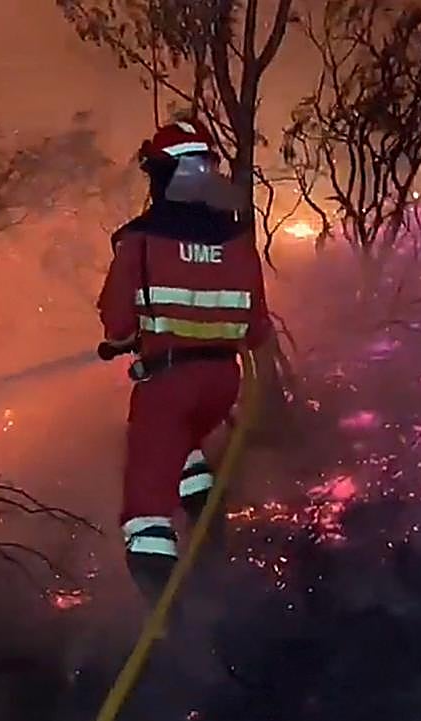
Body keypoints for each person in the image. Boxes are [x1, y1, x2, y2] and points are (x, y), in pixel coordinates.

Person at [96, 117, 275, 602]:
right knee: (182, 444)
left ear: (161, 176)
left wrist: (129, 337)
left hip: (168, 384)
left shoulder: (139, 239)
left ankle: (169, 616)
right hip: (222, 385)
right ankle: (206, 518)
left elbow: (117, 323)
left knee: (146, 509)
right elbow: (257, 328)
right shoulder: (237, 241)